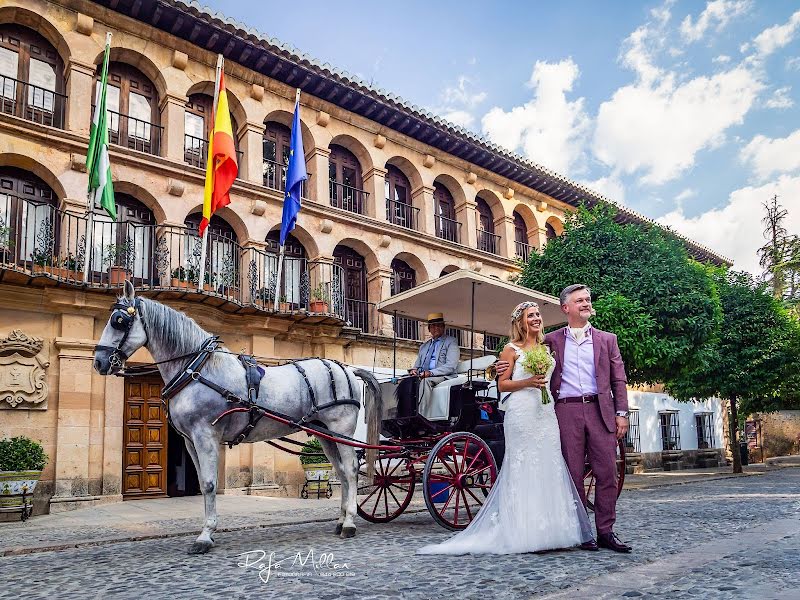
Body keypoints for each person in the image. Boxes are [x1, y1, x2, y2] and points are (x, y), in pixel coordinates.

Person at [418, 302, 593, 555]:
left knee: (549, 463)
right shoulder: (510, 350)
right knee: (524, 465)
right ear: (520, 322)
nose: (536, 318)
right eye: (530, 315)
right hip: (521, 411)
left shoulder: (548, 348)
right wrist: (529, 381)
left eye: (538, 315)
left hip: (545, 412)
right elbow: (503, 385)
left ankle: (554, 530)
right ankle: (525, 530)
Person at [495, 284, 631, 553]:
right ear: (565, 308)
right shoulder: (551, 340)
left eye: (588, 299)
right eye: (579, 300)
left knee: (608, 474)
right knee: (572, 474)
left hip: (600, 411)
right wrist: (495, 367)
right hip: (565, 412)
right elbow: (519, 353)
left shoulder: (608, 339)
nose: (586, 303)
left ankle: (606, 531)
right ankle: (582, 532)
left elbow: (619, 378)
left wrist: (622, 413)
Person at [397, 312, 459, 419]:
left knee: (426, 382)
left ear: (443, 327)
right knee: (402, 381)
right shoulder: (424, 346)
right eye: (433, 326)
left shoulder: (451, 342)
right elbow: (417, 365)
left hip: (443, 376)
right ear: (429, 329)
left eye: (439, 325)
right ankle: (402, 415)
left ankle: (421, 416)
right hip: (424, 375)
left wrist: (431, 373)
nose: (436, 328)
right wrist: (414, 371)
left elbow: (451, 366)